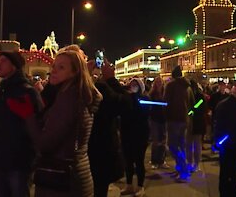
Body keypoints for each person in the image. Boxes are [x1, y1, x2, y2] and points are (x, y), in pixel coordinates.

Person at [26, 48, 102, 197]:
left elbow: (45, 143)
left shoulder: (69, 99)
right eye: (54, 66)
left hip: (61, 181)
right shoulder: (74, 95)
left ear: (74, 72)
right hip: (75, 175)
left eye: (61, 67)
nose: (53, 71)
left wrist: (28, 115)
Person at [0, 51, 44, 197]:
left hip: (19, 159)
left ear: (14, 66)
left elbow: (38, 122)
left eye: (4, 60)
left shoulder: (27, 91)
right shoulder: (1, 91)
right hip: (0, 156)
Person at [87, 59, 126, 197]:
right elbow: (127, 104)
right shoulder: (100, 90)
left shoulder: (69, 88)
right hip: (99, 153)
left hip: (84, 155)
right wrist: (111, 79)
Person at [214, 80, 236, 197]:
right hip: (227, 143)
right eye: (235, 86)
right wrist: (218, 142)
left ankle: (233, 191)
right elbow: (218, 124)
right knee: (226, 170)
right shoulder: (224, 104)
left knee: (235, 170)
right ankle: (225, 193)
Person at [164, 65, 195, 180]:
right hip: (184, 120)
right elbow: (193, 103)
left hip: (173, 119)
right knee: (181, 145)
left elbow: (165, 102)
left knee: (172, 146)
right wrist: (189, 114)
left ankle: (183, 170)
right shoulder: (188, 87)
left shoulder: (170, 86)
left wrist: (165, 115)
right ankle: (180, 168)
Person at [120, 78, 150, 196]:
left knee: (139, 161)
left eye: (136, 84)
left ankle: (140, 186)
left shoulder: (145, 99)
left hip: (140, 135)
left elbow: (145, 114)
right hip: (127, 133)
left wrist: (135, 100)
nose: (133, 86)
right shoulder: (126, 98)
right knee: (128, 161)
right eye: (132, 84)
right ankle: (129, 185)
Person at [185, 79, 206, 173]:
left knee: (196, 144)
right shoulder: (186, 96)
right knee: (189, 144)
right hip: (189, 123)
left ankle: (196, 164)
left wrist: (191, 111)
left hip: (197, 123)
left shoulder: (200, 96)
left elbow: (199, 105)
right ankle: (190, 163)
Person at [148, 76, 168, 169]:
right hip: (155, 119)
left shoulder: (165, 93)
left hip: (163, 119)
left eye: (160, 82)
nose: (159, 83)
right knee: (155, 141)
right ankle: (154, 160)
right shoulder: (152, 94)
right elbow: (149, 107)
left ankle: (162, 160)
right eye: (157, 82)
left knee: (163, 141)